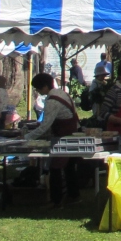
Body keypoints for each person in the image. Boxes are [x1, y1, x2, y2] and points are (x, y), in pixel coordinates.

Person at [25, 73, 84, 208]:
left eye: (38, 88)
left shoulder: (52, 101)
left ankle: (56, 200)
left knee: (55, 168)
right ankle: (74, 195)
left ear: (45, 87)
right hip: (73, 132)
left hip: (64, 136)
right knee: (69, 167)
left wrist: (27, 137)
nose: (38, 91)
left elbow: (45, 125)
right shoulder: (63, 93)